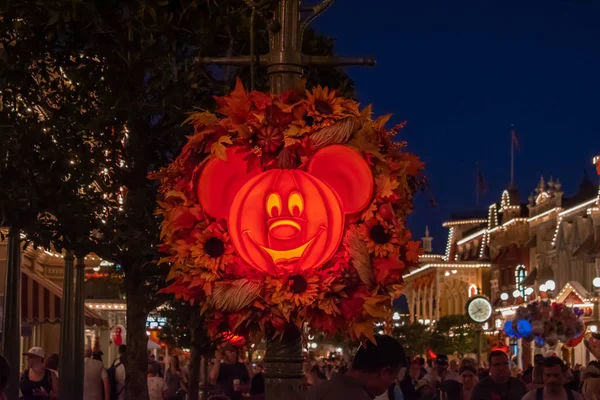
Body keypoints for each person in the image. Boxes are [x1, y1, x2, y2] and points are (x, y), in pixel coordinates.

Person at [305, 334, 407, 400]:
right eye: (393, 377)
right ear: (385, 372)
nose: (392, 383)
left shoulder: (318, 390)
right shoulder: (357, 396)